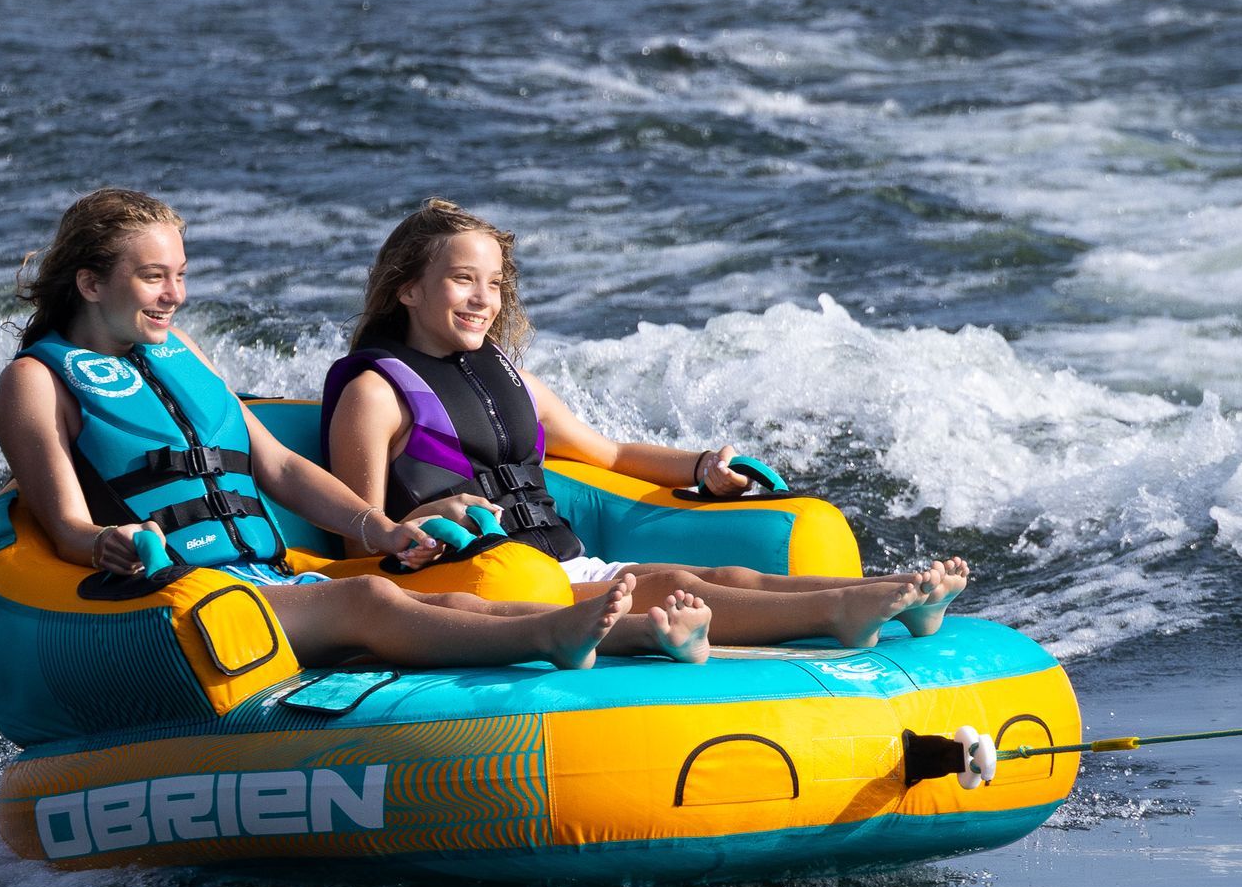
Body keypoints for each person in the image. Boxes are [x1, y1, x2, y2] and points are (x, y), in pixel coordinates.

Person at [0, 188, 712, 675]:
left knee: (448, 603)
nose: (176, 295)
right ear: (90, 283)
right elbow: (64, 529)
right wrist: (108, 542)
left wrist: (379, 528)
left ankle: (638, 633)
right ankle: (553, 637)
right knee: (366, 600)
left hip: (259, 579)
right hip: (174, 598)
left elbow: (277, 467)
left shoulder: (181, 357)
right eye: (155, 277)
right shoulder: (37, 380)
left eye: (180, 274)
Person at [323, 200, 970, 648]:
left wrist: (700, 469)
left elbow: (605, 454)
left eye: (493, 283)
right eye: (463, 280)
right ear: (407, 289)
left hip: (556, 565)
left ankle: (887, 592)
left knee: (724, 579)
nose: (483, 299)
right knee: (671, 584)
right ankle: (840, 612)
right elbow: (360, 541)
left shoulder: (509, 380)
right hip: (478, 584)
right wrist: (431, 515)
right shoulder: (375, 394)